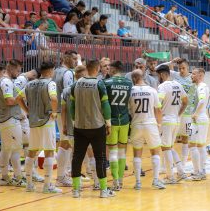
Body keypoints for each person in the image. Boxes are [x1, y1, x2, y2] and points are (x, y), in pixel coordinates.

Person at [70, 59, 115, 198]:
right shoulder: (99, 84)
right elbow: (106, 106)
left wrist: (74, 121)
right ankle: (103, 190)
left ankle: (76, 190)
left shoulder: (76, 84)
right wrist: (108, 123)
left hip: (79, 126)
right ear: (97, 69)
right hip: (97, 126)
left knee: (77, 158)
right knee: (100, 158)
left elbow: (72, 107)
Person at [16, 61, 62, 193]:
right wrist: (54, 112)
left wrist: (27, 111)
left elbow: (18, 98)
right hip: (47, 121)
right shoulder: (50, 83)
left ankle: (29, 184)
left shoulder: (29, 84)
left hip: (33, 122)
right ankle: (47, 186)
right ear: (50, 71)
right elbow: (54, 98)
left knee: (31, 152)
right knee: (49, 151)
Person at [129, 69, 165, 190]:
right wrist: (159, 124)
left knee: (137, 153)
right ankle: (155, 180)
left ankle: (138, 182)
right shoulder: (152, 90)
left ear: (134, 79)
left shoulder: (131, 91)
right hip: (150, 124)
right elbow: (158, 109)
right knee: (155, 152)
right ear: (143, 77)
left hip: (136, 124)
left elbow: (128, 109)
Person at [0, 60, 26, 187]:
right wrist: (20, 98)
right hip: (10, 119)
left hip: (5, 120)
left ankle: (4, 177)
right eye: (18, 70)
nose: (18, 73)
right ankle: (18, 178)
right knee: (15, 149)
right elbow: (9, 101)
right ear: (11, 69)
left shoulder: (4, 81)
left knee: (6, 149)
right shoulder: (7, 81)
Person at [156, 65, 188, 183]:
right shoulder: (178, 84)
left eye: (158, 75)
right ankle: (181, 171)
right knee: (169, 147)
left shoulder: (162, 86)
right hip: (176, 120)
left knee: (165, 148)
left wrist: (157, 121)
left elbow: (158, 104)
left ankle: (170, 177)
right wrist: (178, 114)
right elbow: (186, 102)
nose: (158, 78)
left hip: (166, 121)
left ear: (162, 74)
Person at [104, 61, 133, 191]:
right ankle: (120, 181)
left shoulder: (107, 83)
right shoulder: (129, 83)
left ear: (114, 69)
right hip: (125, 120)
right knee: (122, 152)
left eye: (109, 68)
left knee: (112, 152)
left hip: (112, 121)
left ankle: (115, 181)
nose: (107, 70)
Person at [53, 50, 78, 187]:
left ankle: (64, 173)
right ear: (66, 58)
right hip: (65, 110)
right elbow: (68, 94)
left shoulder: (56, 71)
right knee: (66, 143)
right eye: (73, 58)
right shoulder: (68, 73)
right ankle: (61, 176)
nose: (75, 61)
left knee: (65, 142)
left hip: (58, 109)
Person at [187, 68, 210, 181]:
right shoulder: (202, 86)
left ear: (200, 75)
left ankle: (198, 172)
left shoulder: (201, 87)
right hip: (202, 119)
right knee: (200, 146)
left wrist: (195, 114)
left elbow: (201, 101)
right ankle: (201, 171)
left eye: (194, 74)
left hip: (199, 119)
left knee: (192, 145)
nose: (191, 75)